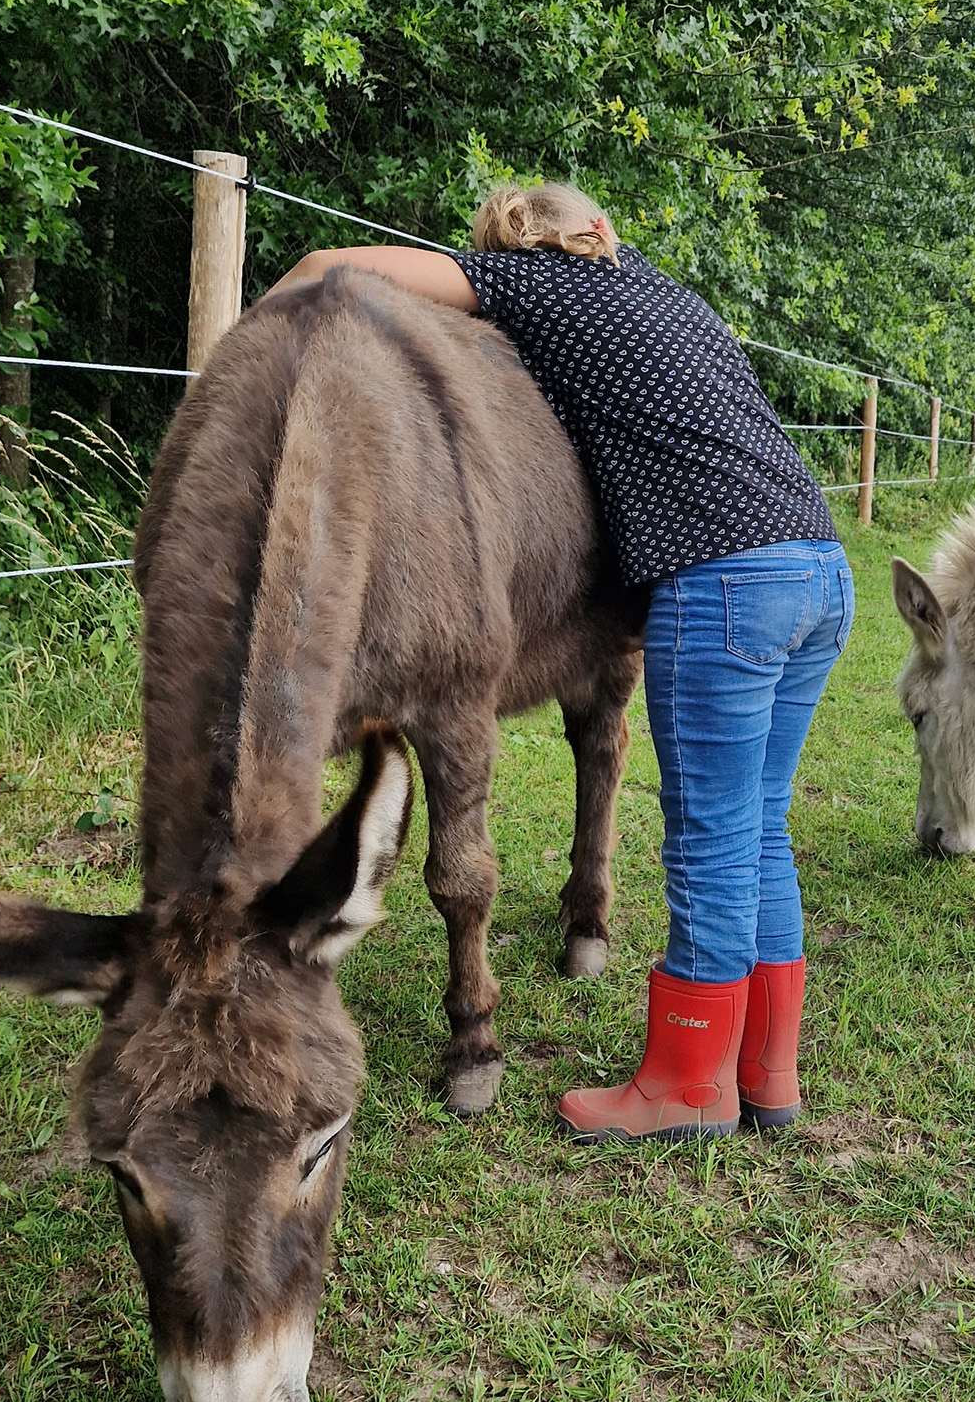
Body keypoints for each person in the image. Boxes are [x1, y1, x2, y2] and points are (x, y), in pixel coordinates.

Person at [270, 184, 854, 1142]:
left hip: (726, 586)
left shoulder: (540, 287)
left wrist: (244, 356)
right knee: (758, 831)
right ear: (600, 232)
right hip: (818, 568)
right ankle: (769, 1076)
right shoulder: (672, 300)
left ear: (524, 249)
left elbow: (333, 273)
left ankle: (686, 1087)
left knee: (708, 837)